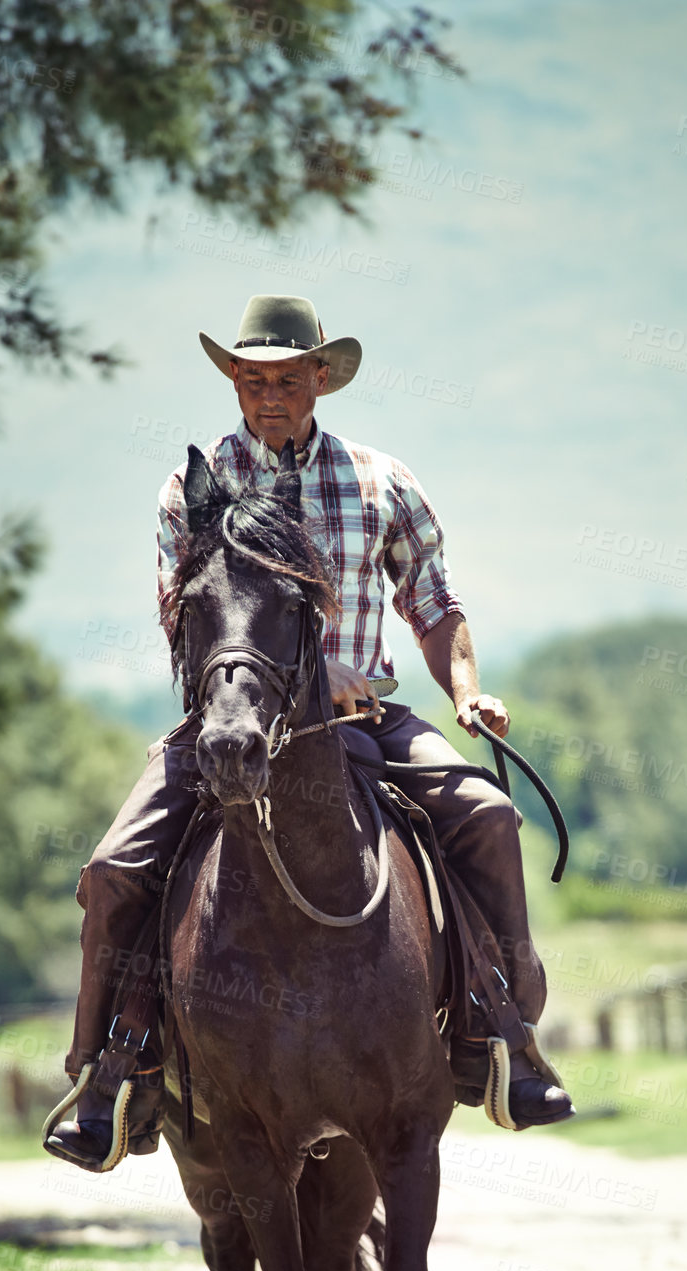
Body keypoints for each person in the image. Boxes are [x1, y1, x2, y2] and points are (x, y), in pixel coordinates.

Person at [45, 294, 573, 1170]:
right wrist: (301, 669)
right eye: (251, 381)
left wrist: (468, 690)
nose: (268, 396)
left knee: (487, 816)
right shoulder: (197, 486)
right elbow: (181, 613)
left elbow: (433, 604)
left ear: (320, 379)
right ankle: (109, 1073)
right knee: (111, 869)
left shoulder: (381, 483)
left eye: (286, 379)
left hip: (366, 724)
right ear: (235, 385)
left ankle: (503, 1031)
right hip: (230, 727)